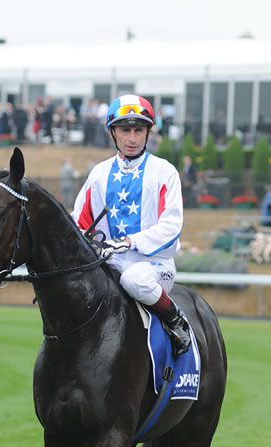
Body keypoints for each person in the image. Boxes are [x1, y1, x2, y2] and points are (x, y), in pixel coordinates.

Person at [72, 94, 191, 356]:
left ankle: (175, 319)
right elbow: (80, 222)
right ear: (113, 133)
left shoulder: (164, 172)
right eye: (125, 130)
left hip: (155, 266)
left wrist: (128, 242)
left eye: (139, 130)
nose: (132, 138)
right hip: (110, 265)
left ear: (148, 132)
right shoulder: (99, 174)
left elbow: (171, 226)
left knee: (133, 279)